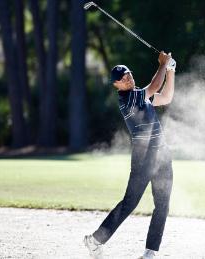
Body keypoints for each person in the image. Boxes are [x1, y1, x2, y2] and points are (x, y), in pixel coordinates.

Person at [84, 51, 176, 259]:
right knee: (130, 203)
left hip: (162, 155)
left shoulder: (142, 97)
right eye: (122, 78)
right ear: (116, 85)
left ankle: (150, 252)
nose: (127, 78)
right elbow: (153, 87)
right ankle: (95, 240)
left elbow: (167, 96)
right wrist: (162, 64)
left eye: (128, 75)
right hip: (143, 159)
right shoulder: (127, 99)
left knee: (162, 205)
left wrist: (170, 70)